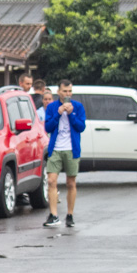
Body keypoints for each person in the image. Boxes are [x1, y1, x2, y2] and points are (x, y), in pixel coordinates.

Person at [43, 80, 86, 227]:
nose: (67, 94)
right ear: (58, 92)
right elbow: (48, 127)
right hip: (55, 148)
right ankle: (53, 214)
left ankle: (70, 214)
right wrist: (59, 113)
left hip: (71, 149)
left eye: (69, 91)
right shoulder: (52, 107)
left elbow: (81, 127)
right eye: (65, 91)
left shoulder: (78, 107)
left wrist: (71, 114)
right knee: (51, 181)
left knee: (70, 183)